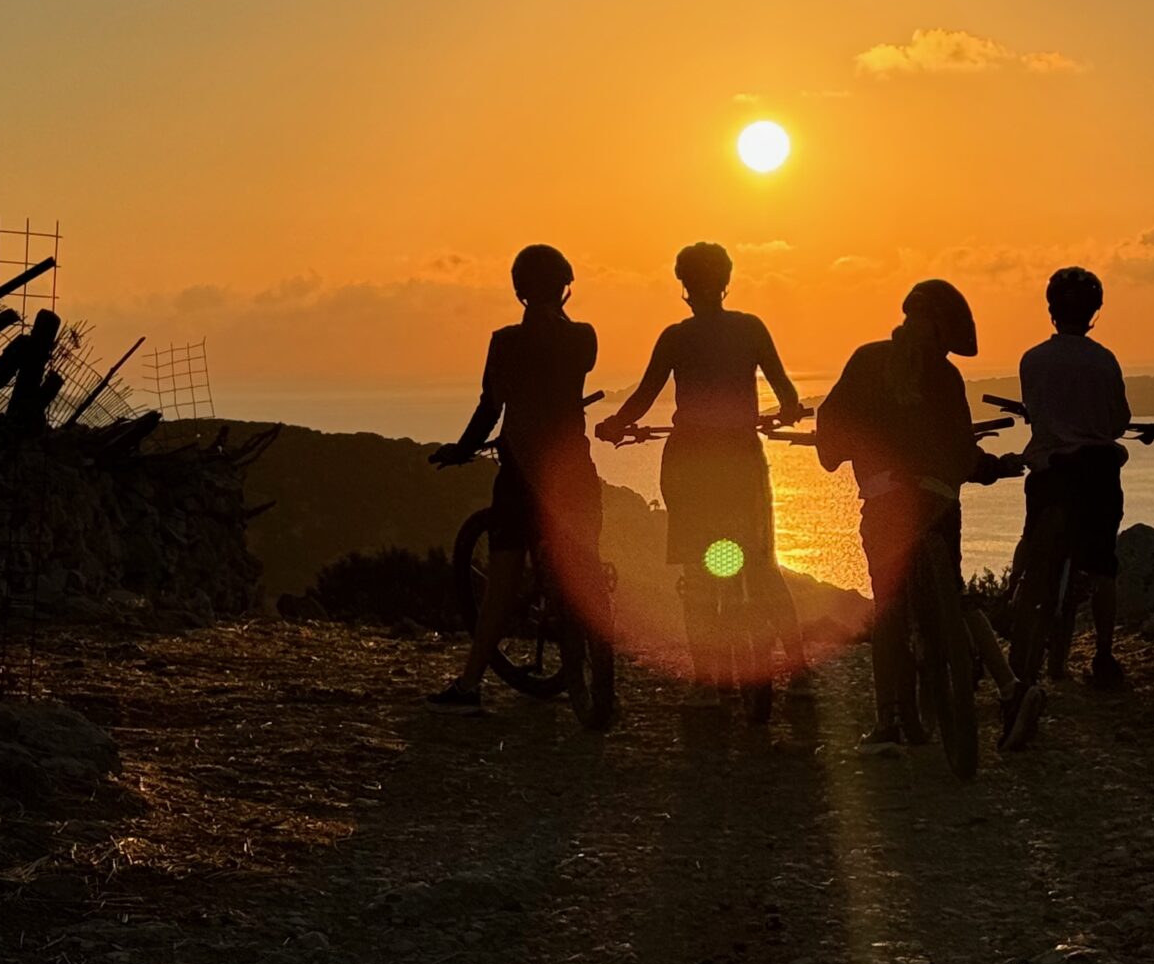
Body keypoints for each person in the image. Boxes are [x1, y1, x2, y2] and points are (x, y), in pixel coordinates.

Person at [596, 242, 808, 717]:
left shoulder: (674, 338)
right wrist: (789, 411)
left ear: (684, 287)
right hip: (740, 462)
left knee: (697, 573)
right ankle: (797, 672)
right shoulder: (751, 328)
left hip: (690, 465)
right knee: (760, 564)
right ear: (726, 282)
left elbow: (642, 400)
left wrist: (613, 428)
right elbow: (787, 394)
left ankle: (707, 680)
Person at [813, 279, 1021, 745]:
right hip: (937, 502)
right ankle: (1003, 684)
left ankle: (887, 721)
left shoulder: (866, 359)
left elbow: (832, 425)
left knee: (889, 607)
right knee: (954, 588)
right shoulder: (946, 376)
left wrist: (838, 452)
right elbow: (961, 452)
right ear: (946, 334)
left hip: (885, 504)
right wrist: (991, 469)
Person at [427, 244, 613, 725]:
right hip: (575, 470)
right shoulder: (586, 339)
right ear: (566, 285)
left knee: (502, 583)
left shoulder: (505, 342)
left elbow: (491, 406)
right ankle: (600, 667)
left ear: (518, 290)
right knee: (586, 559)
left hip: (522, 474)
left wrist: (462, 449)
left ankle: (470, 684)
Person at [1001, 264, 1131, 751]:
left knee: (1032, 538)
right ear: (1094, 312)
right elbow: (1119, 420)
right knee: (1102, 564)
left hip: (1052, 471)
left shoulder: (1033, 359)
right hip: (1098, 471)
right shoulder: (1104, 361)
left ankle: (1015, 596)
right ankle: (1102, 653)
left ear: (1051, 309)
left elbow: (1035, 411)